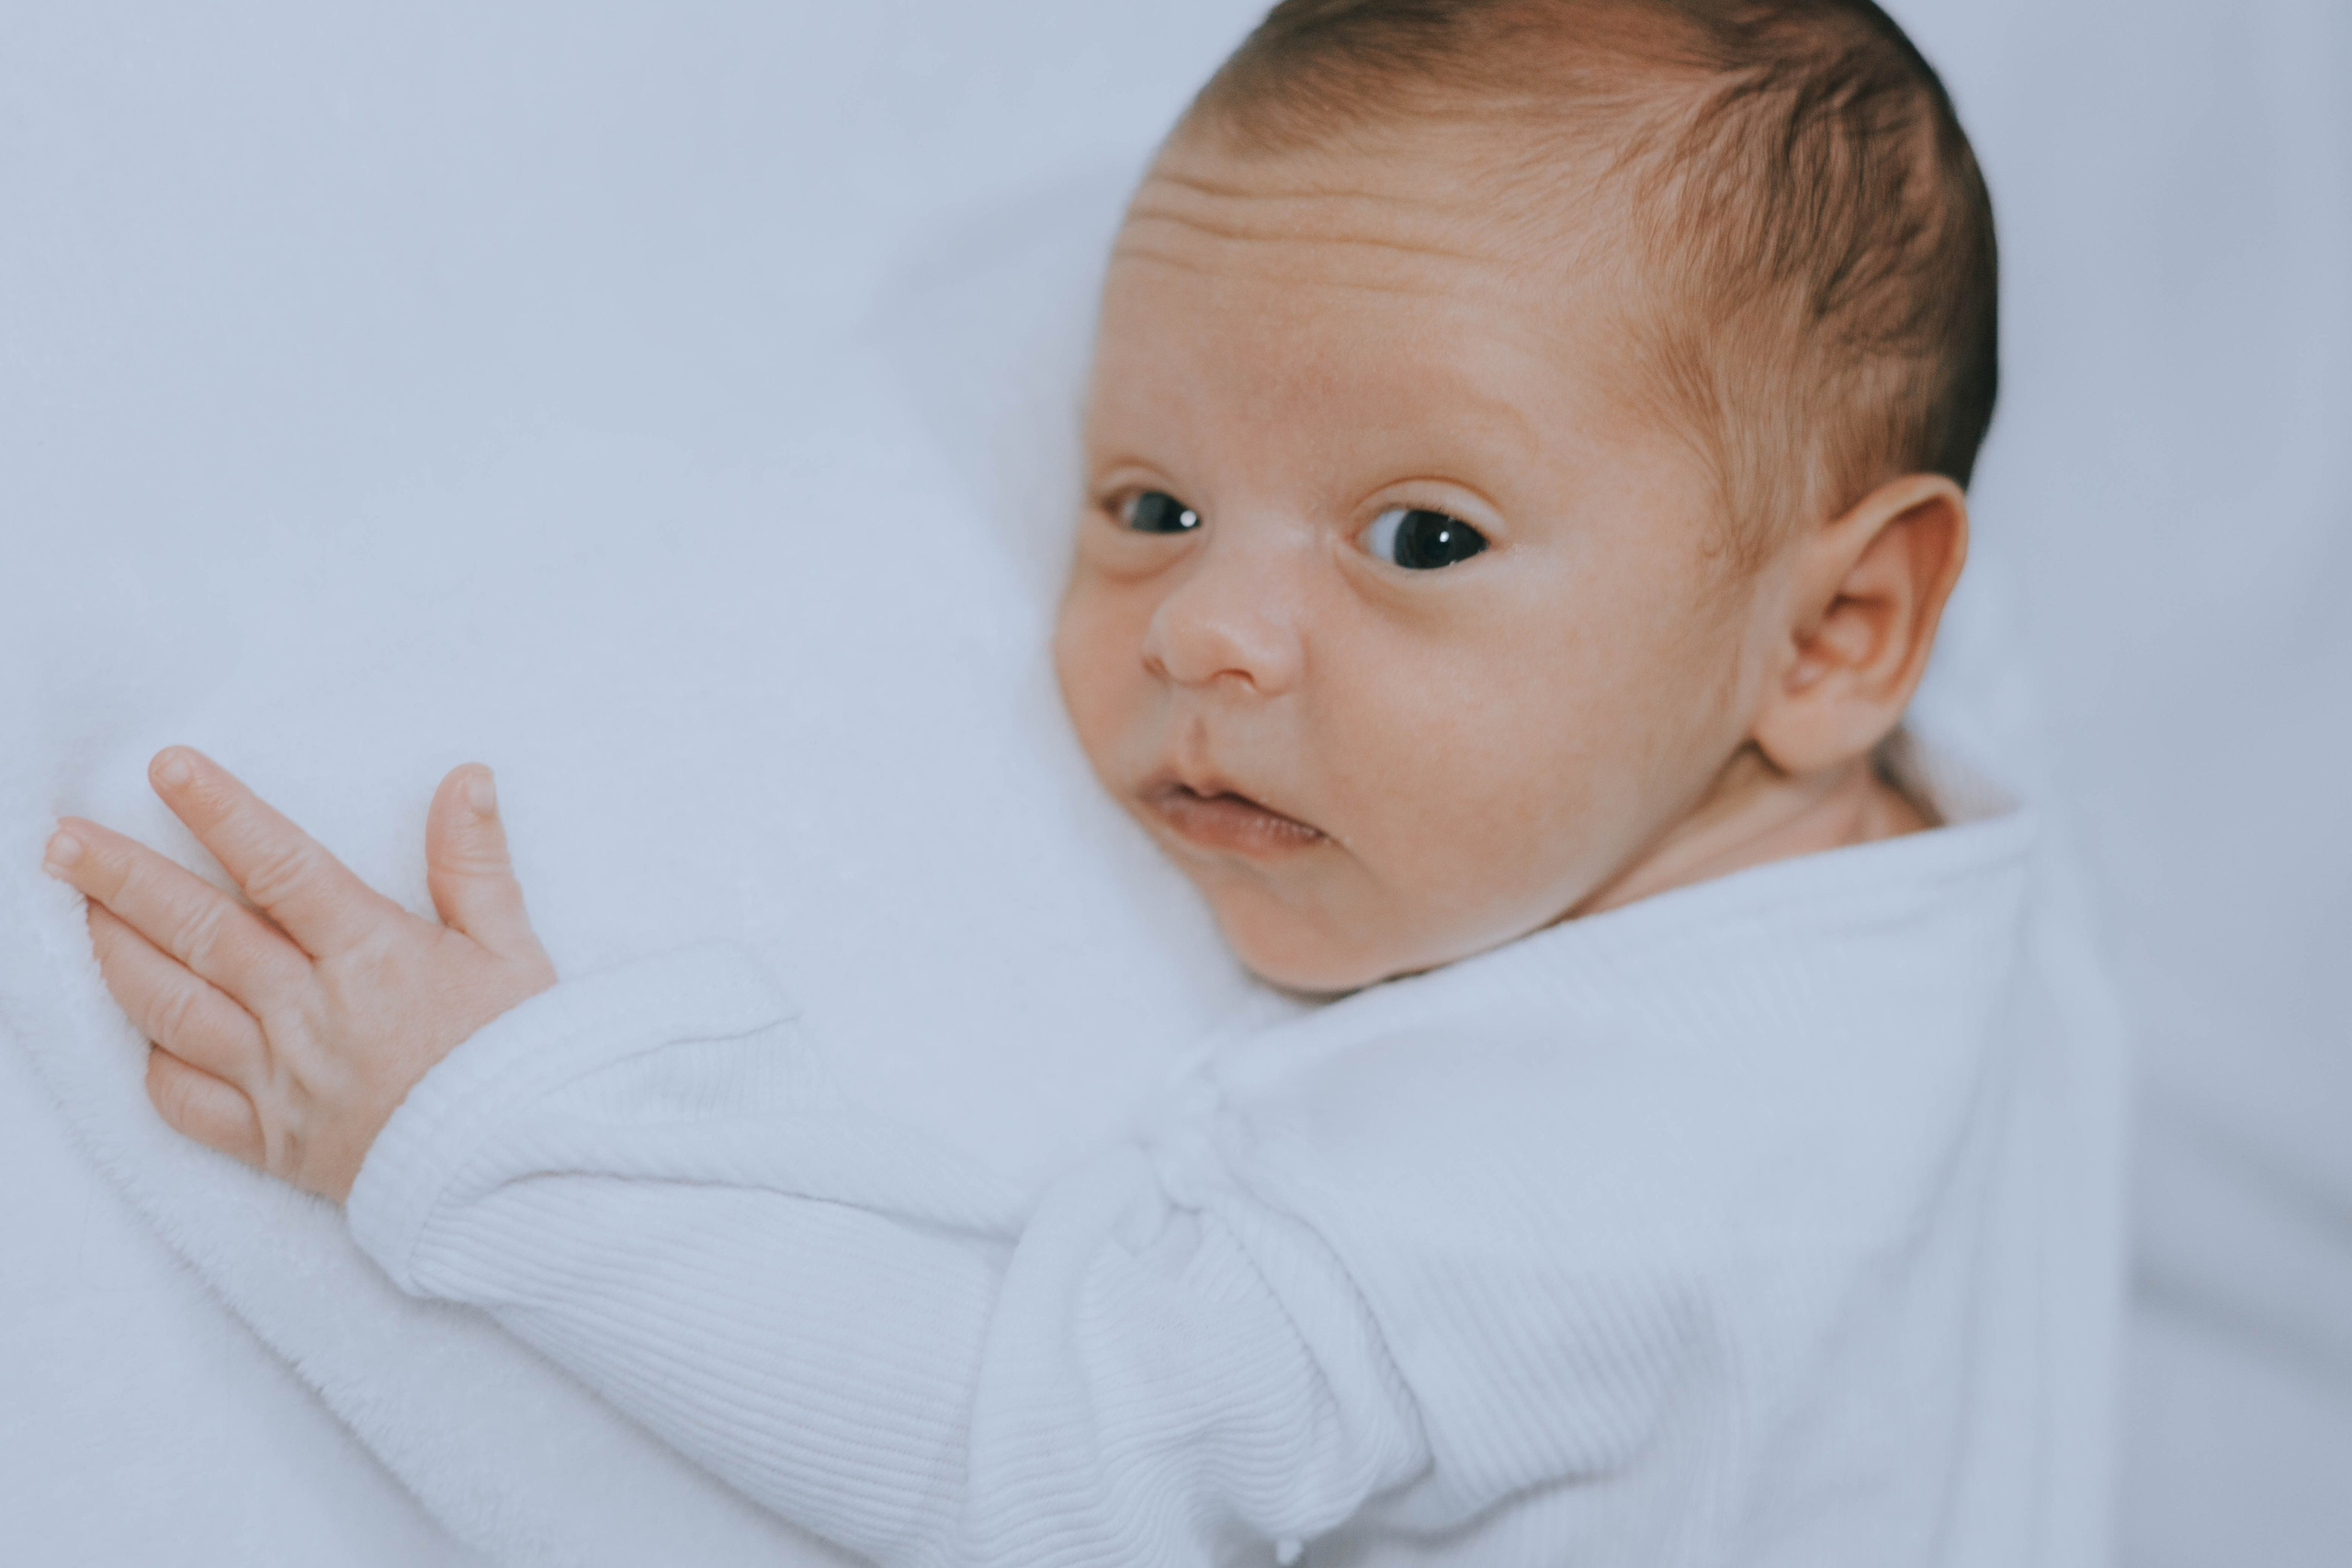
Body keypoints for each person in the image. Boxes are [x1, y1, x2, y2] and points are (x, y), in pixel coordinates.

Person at [37, 1, 2120, 1562]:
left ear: (1839, 630)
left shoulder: (1552, 1180)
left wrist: (470, 1127)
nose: (1203, 629)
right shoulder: (1955, 903)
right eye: (1145, 498)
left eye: (1418, 536)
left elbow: (1016, 1455)